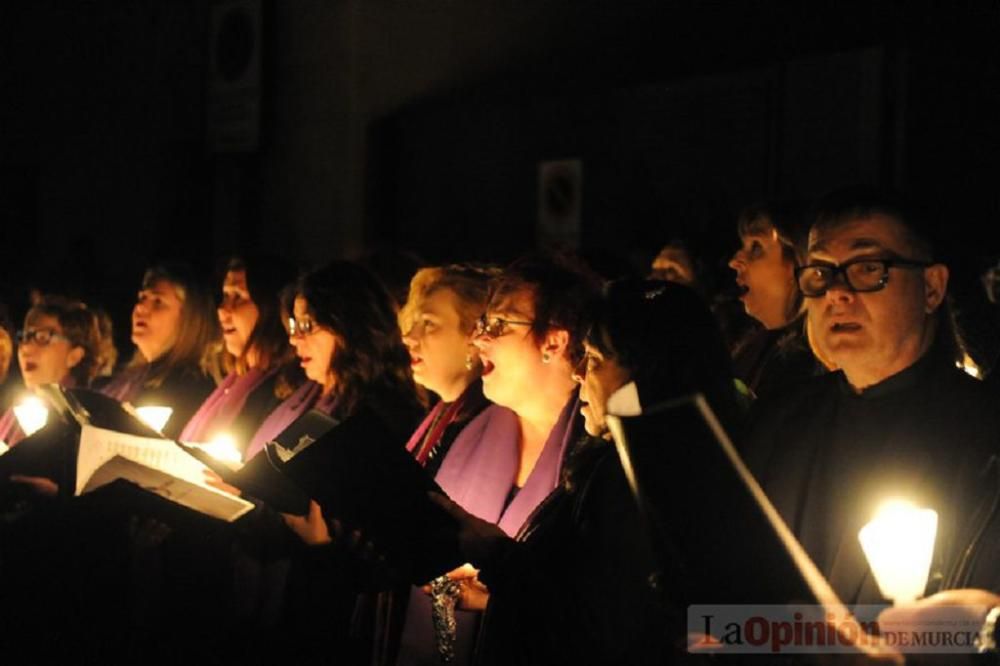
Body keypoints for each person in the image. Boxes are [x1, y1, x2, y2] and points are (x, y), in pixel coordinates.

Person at [431, 279, 741, 665]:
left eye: (593, 359)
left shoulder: (642, 486)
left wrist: (496, 554)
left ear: (644, 373)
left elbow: (612, 624)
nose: (578, 374)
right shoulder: (621, 464)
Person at [742, 186, 1000, 606]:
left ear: (932, 287)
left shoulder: (985, 434)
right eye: (821, 272)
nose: (836, 293)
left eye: (867, 268)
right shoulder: (777, 418)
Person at [178, 256, 301, 456]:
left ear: (269, 308)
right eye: (225, 296)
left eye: (239, 297)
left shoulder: (283, 390)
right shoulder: (231, 381)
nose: (222, 310)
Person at [100, 263, 218, 439]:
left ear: (188, 318)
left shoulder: (187, 387)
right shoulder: (130, 379)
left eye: (158, 302)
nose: (140, 308)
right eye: (142, 298)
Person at [728, 201, 824, 400]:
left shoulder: (818, 364)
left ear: (799, 261)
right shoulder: (753, 348)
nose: (734, 261)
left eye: (756, 247)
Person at [0, 295, 102, 447]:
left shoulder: (84, 422)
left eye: (42, 337)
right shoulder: (14, 415)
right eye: (24, 337)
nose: (25, 348)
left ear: (74, 355)